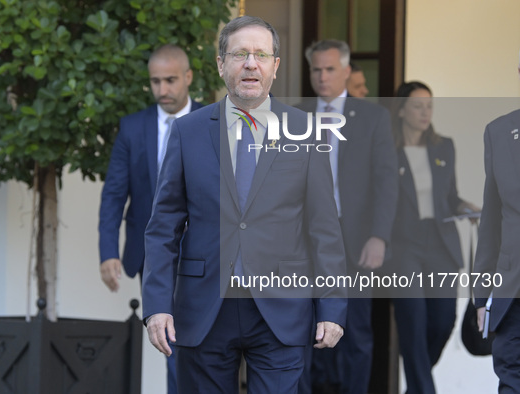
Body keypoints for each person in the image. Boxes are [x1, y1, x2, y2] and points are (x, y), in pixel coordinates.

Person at [142, 16, 348, 394]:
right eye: (240, 54)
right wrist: (157, 304)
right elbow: (163, 226)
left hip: (282, 310)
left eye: (261, 54)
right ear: (222, 65)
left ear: (275, 66)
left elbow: (324, 228)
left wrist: (332, 307)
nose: (250, 63)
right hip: (204, 307)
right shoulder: (187, 132)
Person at [98, 44, 202, 394]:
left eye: (170, 80)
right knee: (170, 339)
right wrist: (108, 250)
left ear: (188, 77)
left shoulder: (213, 122)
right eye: (156, 82)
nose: (163, 90)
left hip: (204, 251)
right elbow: (114, 192)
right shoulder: (132, 128)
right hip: (153, 254)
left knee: (201, 342)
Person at [297, 39, 398, 394]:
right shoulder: (294, 116)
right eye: (315, 70)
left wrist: (379, 236)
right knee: (305, 328)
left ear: (346, 71)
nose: (322, 77)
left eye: (329, 69)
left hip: (355, 239)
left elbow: (387, 182)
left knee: (355, 330)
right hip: (304, 242)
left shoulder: (373, 117)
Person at [390, 81, 479, 394]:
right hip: (404, 246)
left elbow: (449, 196)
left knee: (442, 323)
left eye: (429, 105)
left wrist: (465, 205)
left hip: (440, 243)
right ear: (401, 110)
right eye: (418, 105)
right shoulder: (388, 149)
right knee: (413, 324)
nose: (426, 112)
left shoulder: (444, 146)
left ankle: (416, 387)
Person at [475, 56, 520, 392]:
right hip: (512, 290)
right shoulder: (499, 132)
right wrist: (481, 296)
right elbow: (490, 222)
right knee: (511, 379)